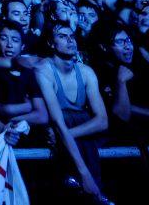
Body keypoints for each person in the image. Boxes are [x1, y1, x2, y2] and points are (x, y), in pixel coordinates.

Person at [35, 21, 109, 200]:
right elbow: (57, 121)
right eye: (62, 36)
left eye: (72, 36)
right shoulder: (44, 70)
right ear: (51, 44)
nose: (70, 40)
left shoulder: (86, 72)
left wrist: (67, 134)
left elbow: (102, 121)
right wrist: (85, 174)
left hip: (64, 136)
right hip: (50, 131)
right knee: (71, 117)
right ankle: (93, 189)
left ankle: (83, 185)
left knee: (78, 117)